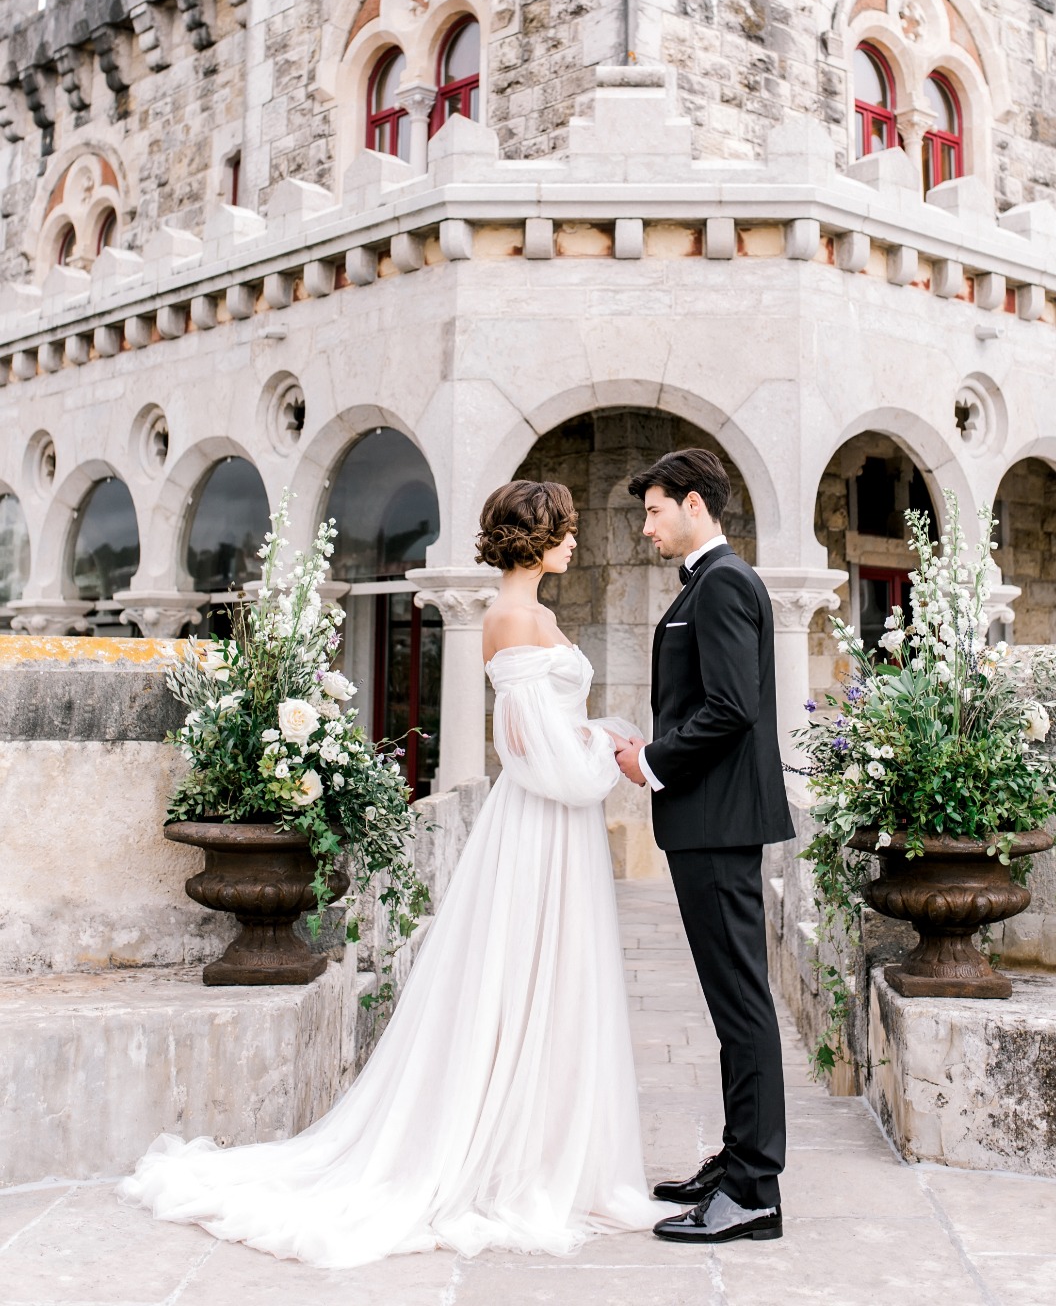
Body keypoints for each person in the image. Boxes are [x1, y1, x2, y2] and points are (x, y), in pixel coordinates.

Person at [120, 479, 658, 1266]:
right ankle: (506, 1153)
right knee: (517, 977)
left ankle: (547, 1147)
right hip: (540, 820)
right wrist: (602, 761)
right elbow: (526, 750)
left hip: (562, 822)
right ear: (534, 539)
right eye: (565, 530)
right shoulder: (510, 618)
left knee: (556, 978)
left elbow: (557, 729)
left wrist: (595, 739)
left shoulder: (535, 613)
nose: (575, 541)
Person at [614, 448, 792, 1245]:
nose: (646, 527)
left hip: (717, 825)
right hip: (710, 823)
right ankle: (738, 1159)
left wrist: (649, 762)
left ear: (693, 504)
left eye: (654, 510)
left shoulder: (722, 585)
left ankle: (754, 1187)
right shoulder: (715, 584)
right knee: (731, 1007)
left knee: (742, 1005)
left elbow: (729, 711)